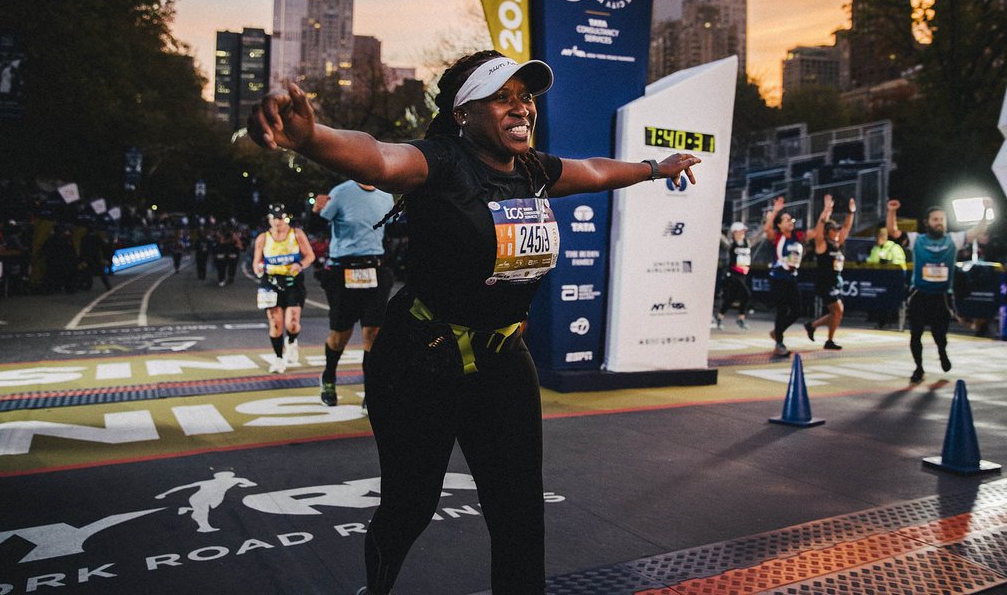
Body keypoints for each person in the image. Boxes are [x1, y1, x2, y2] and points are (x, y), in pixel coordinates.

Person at [247, 50, 701, 595]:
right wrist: (311, 137)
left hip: (502, 361)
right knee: (410, 507)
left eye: (526, 97)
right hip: (420, 361)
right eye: (502, 98)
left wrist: (655, 169)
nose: (521, 109)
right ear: (464, 112)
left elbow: (593, 171)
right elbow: (376, 159)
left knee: (519, 515)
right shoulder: (438, 161)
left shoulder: (532, 170)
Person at [887, 199, 988, 384]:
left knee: (939, 335)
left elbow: (977, 231)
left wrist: (986, 211)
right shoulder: (917, 239)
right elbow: (893, 232)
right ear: (927, 222)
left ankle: (942, 352)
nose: (939, 222)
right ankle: (919, 368)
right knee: (915, 334)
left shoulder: (953, 240)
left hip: (941, 297)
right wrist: (891, 211)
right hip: (919, 294)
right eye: (935, 219)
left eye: (942, 219)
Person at [313, 181, 395, 407]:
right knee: (341, 334)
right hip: (343, 270)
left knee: (373, 333)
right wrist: (315, 210)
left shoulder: (386, 195)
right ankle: (328, 377)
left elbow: (391, 229)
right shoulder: (340, 192)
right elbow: (317, 226)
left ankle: (371, 389)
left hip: (374, 269)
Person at [252, 204, 316, 374]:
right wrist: (258, 268)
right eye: (273, 218)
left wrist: (300, 264)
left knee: (292, 324)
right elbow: (256, 261)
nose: (277, 222)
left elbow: (310, 255)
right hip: (271, 281)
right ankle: (279, 358)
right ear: (269, 219)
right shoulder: (263, 238)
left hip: (292, 281)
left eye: (280, 218)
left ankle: (292, 341)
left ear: (286, 218)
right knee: (275, 324)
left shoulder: (296, 234)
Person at [803, 194, 855, 350]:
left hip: (835, 281)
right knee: (838, 309)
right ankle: (824, 336)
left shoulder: (838, 244)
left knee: (836, 313)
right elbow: (819, 229)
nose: (837, 231)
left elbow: (846, 228)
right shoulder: (822, 245)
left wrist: (851, 212)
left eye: (837, 229)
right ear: (827, 231)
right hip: (825, 283)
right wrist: (826, 212)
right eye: (834, 229)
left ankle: (814, 327)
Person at [763, 196, 805, 358]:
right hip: (778, 278)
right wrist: (775, 212)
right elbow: (767, 229)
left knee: (797, 311)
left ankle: (776, 332)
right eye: (786, 220)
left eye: (791, 219)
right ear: (780, 225)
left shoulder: (796, 238)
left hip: (791, 278)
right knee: (781, 311)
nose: (790, 222)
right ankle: (779, 343)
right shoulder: (777, 237)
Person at [715, 221, 755, 329]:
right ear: (734, 232)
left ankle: (719, 317)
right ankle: (740, 318)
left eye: (743, 231)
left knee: (731, 298)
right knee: (747, 294)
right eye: (740, 231)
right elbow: (721, 237)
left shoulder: (747, 242)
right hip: (733, 275)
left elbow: (760, 235)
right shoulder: (731, 244)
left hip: (743, 275)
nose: (742, 233)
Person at [865, 226, 907, 328]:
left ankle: (891, 322)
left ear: (885, 237)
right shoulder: (875, 249)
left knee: (891, 302)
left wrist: (889, 262)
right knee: (879, 302)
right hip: (878, 280)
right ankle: (880, 322)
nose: (878, 239)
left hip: (891, 281)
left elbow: (901, 262)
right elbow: (870, 261)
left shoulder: (894, 247)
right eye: (877, 237)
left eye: (880, 237)